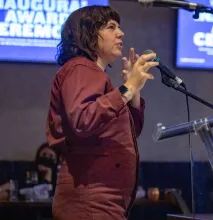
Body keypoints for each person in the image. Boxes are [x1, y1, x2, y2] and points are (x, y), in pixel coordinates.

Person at [46, 5, 158, 220]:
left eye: (119, 27)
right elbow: (82, 120)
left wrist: (133, 91)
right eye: (111, 27)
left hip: (103, 202)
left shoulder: (94, 75)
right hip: (89, 200)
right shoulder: (80, 67)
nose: (121, 33)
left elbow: (131, 132)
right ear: (88, 34)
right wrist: (127, 89)